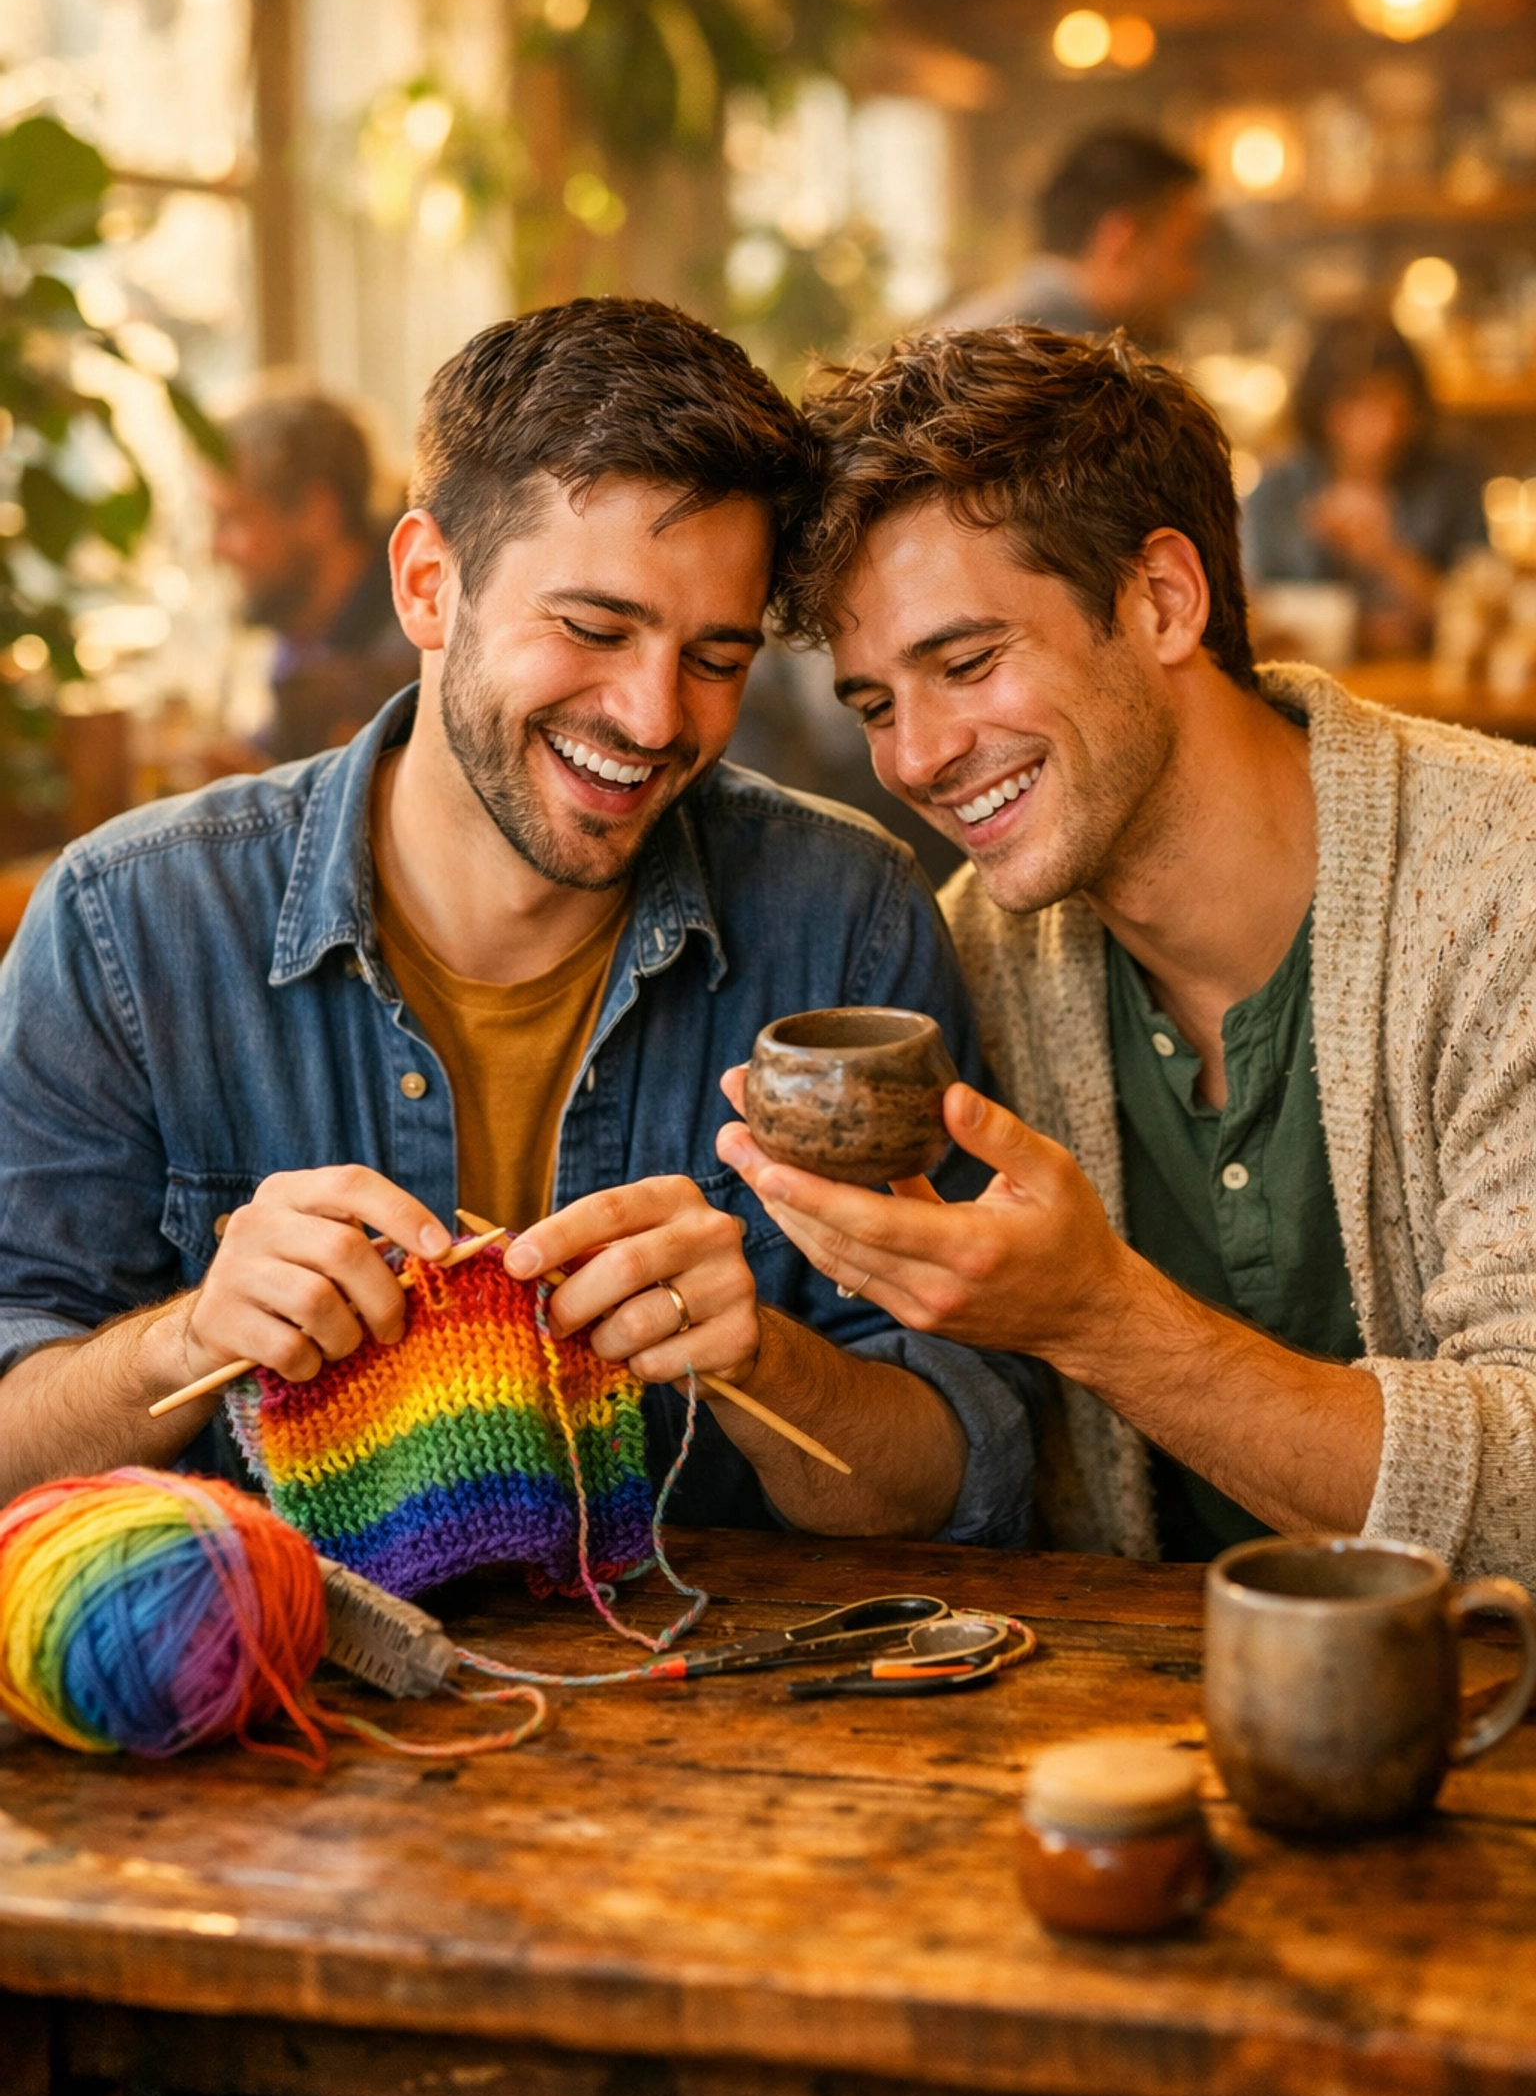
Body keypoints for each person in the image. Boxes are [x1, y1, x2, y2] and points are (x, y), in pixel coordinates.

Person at [0, 299, 1039, 1555]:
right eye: (593, 629)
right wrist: (188, 1337)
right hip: (270, 1715)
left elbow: (966, 1479)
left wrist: (766, 1364)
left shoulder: (847, 917)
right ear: (428, 585)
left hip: (726, 1714)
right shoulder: (131, 927)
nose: (656, 718)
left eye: (716, 657)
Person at [715, 321, 1536, 1587]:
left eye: (968, 662)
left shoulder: (1506, 891)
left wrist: (1099, 1317)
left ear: (1163, 597)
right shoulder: (974, 959)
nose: (917, 757)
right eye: (876, 705)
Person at [1245, 312, 1487, 659]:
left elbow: (1488, 619)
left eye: (1395, 405)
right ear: (1321, 407)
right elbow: (1256, 617)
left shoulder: (1453, 478)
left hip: (1433, 694)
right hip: (1304, 697)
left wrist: (1386, 556)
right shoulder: (1277, 489)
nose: (1384, 427)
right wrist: (1361, 632)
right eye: (1358, 401)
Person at [210, 387, 418, 760]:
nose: (214, 548)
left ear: (317, 513)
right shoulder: (307, 627)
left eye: (234, 519)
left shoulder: (406, 663)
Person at [944, 129, 1205, 345]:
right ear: (1124, 242)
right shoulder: (1056, 362)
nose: (1190, 281)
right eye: (1185, 251)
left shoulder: (974, 333)